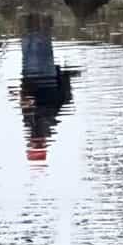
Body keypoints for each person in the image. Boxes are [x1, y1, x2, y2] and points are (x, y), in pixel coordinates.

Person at [15, 12, 77, 162]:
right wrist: (31, 102)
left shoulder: (31, 122)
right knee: (38, 40)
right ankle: (45, 10)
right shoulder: (45, 122)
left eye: (31, 144)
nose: (32, 141)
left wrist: (22, 97)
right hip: (43, 75)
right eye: (36, 144)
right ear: (42, 143)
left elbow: (28, 99)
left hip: (31, 75)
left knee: (30, 39)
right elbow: (46, 101)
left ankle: (37, 11)